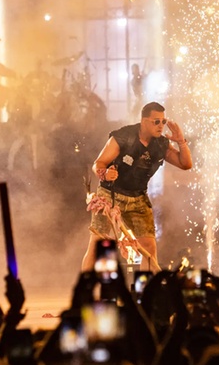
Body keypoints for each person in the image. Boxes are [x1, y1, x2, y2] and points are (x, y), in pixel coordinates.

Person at [82, 102, 192, 271]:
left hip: (138, 198)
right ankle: (85, 291)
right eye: (156, 121)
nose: (161, 126)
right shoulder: (124, 136)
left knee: (148, 247)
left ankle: (147, 293)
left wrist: (181, 142)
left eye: (163, 121)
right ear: (143, 121)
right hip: (110, 195)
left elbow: (185, 164)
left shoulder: (161, 144)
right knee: (98, 243)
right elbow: (98, 163)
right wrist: (104, 173)